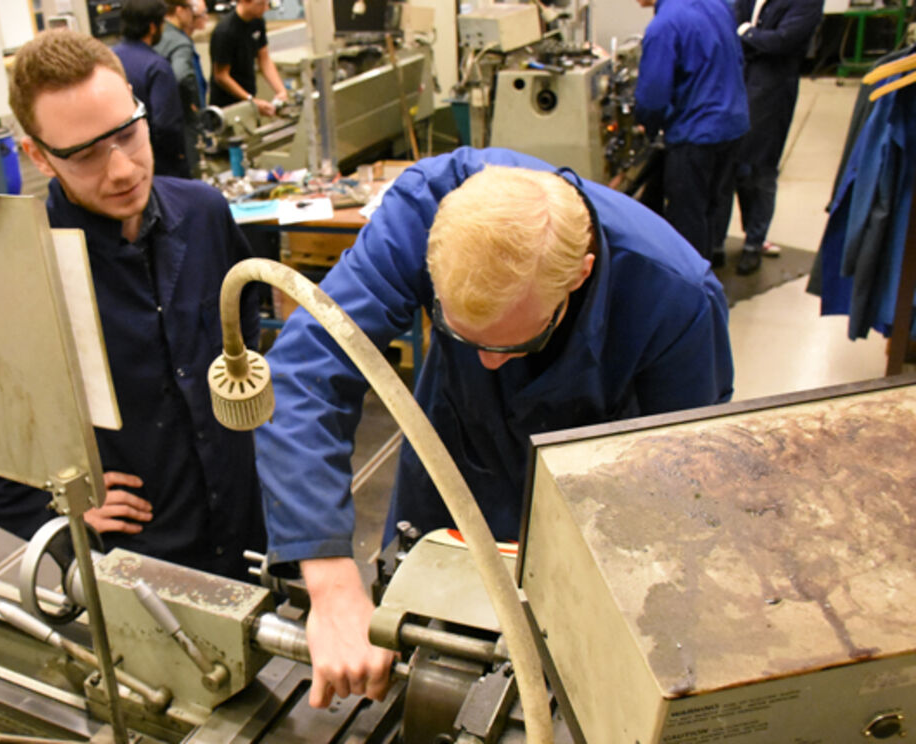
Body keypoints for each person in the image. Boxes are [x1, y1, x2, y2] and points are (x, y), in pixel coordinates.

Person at [253, 148, 735, 706]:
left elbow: (679, 489)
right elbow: (306, 373)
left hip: (599, 508)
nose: (486, 362)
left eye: (513, 343)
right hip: (454, 470)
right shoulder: (426, 206)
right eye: (464, 337)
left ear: (579, 275)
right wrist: (332, 585)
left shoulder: (676, 298)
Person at [0, 29, 265, 580]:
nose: (121, 169)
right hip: (134, 559)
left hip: (245, 525)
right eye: (84, 154)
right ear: (39, 156)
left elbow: (242, 319)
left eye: (127, 133)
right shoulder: (16, 268)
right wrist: (51, 511)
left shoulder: (204, 213)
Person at [634, 0, 749, 267]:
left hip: (696, 134)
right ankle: (708, 269)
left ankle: (692, 283)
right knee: (710, 207)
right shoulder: (718, 5)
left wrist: (646, 127)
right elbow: (737, 59)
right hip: (732, 124)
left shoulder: (664, 27)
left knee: (687, 219)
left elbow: (653, 97)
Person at [728, 0, 823, 276]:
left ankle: (754, 243)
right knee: (736, 168)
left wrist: (746, 34)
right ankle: (741, 235)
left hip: (772, 93)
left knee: (761, 170)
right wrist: (752, 36)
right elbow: (733, 24)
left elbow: (782, 42)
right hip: (739, 82)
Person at [113, 0, 190, 178]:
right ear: (153, 27)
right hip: (159, 167)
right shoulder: (157, 67)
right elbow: (166, 125)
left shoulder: (108, 59)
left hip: (118, 156)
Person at [153, 0, 208, 176]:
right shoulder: (179, 42)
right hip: (184, 120)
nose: (193, 15)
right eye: (190, 10)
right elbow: (182, 76)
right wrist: (191, 104)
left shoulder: (158, 37)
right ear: (179, 10)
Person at [209, 0, 288, 116]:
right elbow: (221, 76)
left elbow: (264, 59)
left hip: (248, 93)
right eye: (260, 4)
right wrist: (251, 100)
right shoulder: (225, 31)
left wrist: (281, 90)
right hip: (227, 105)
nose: (265, 8)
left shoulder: (258, 22)